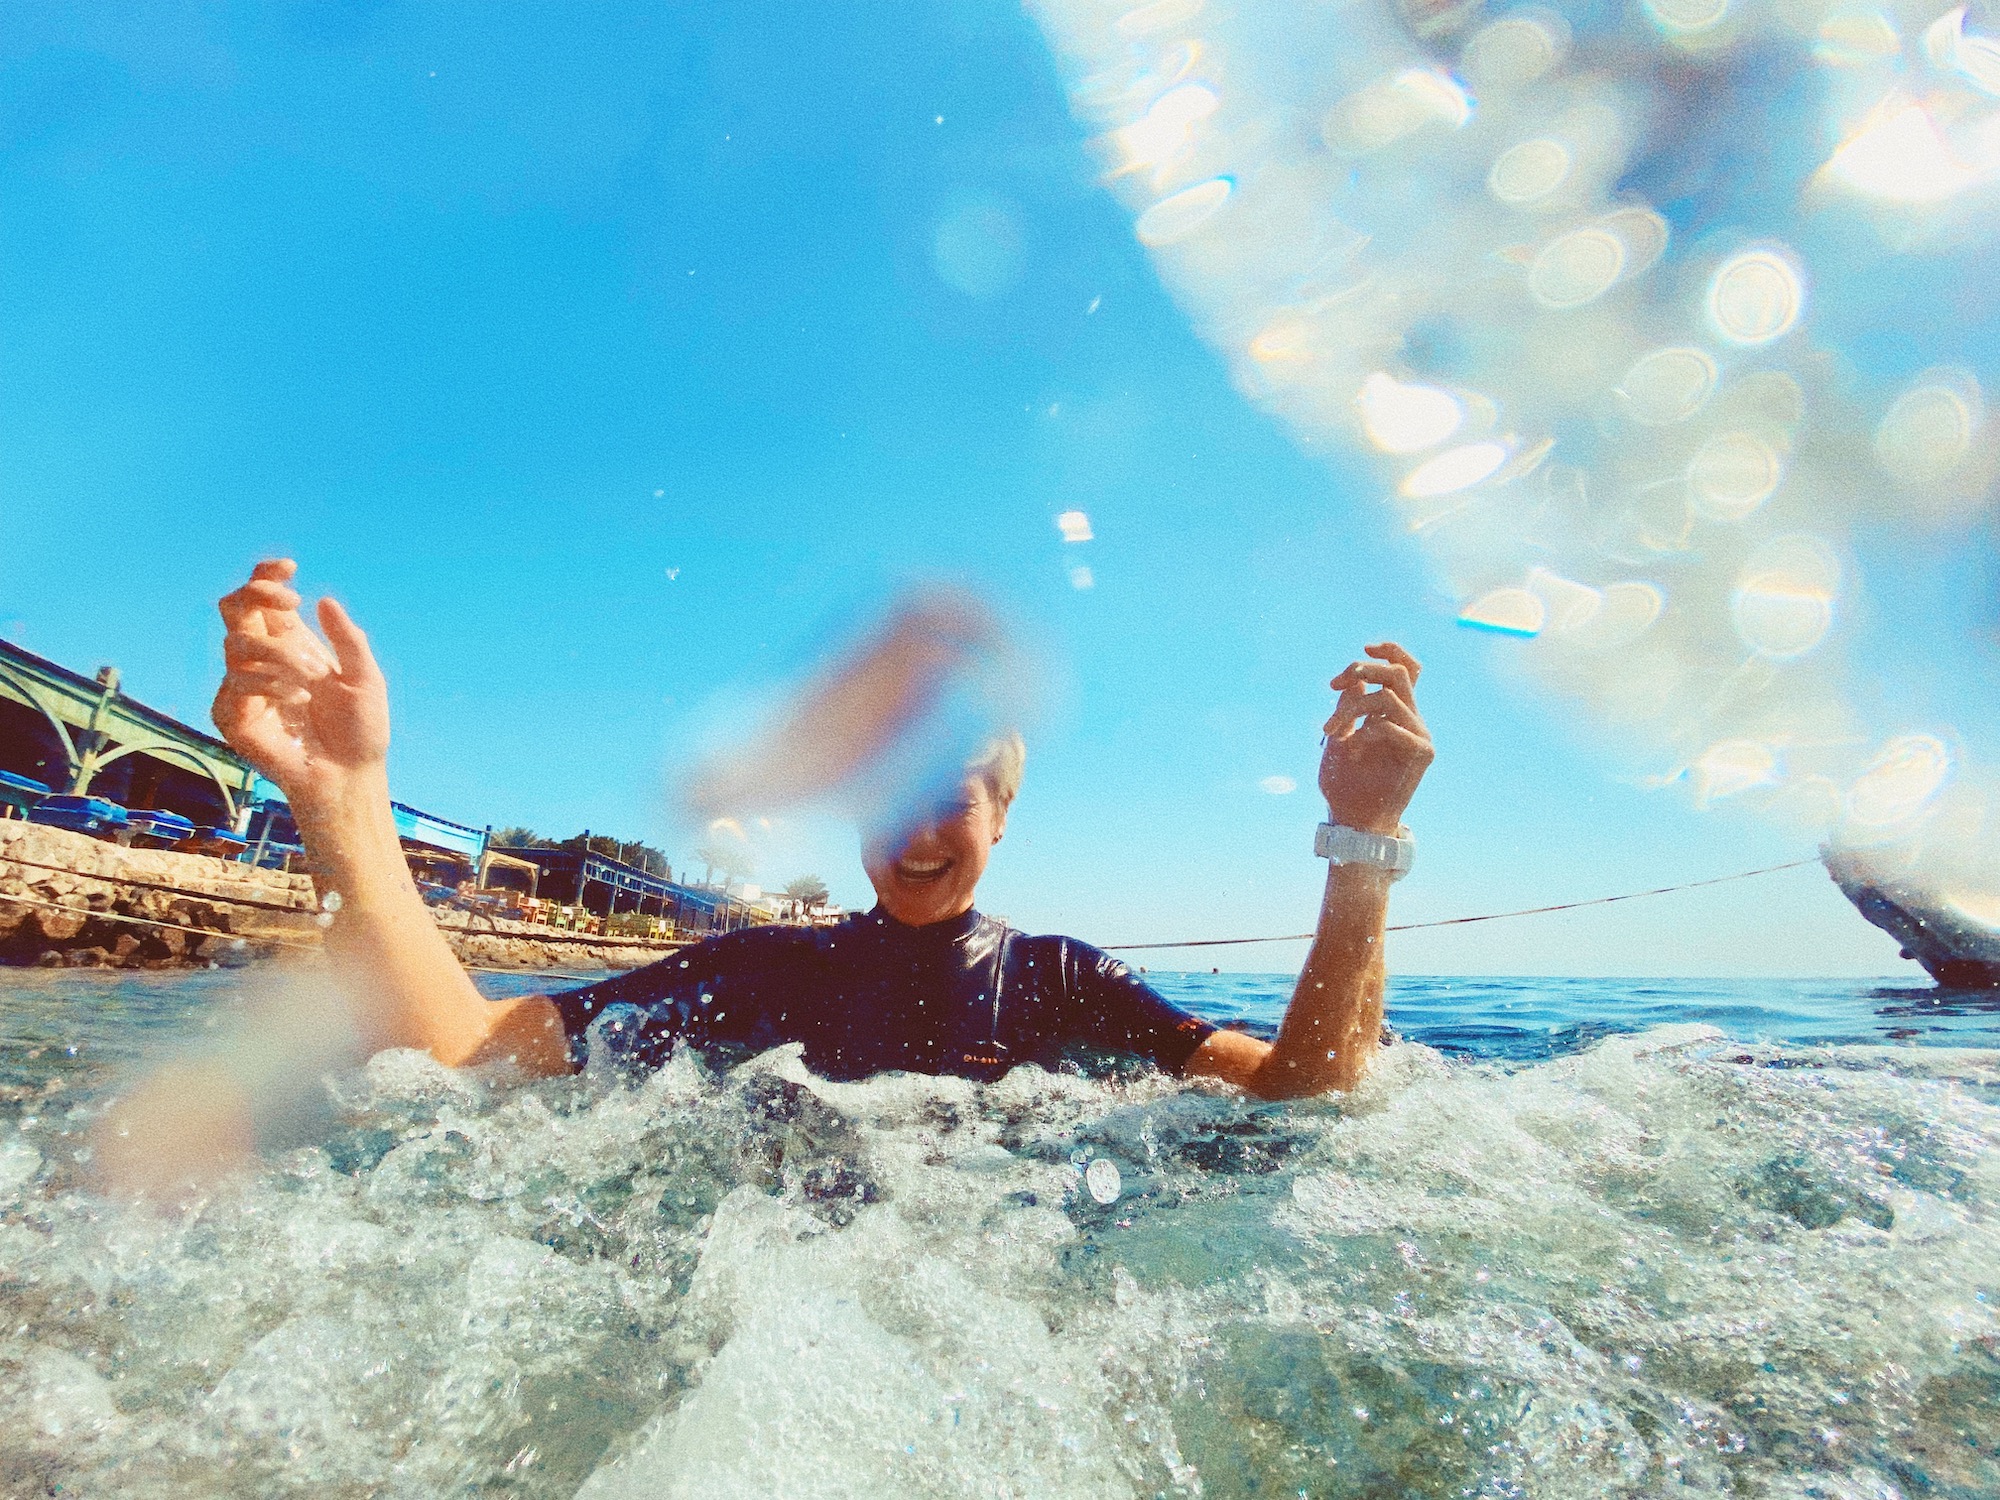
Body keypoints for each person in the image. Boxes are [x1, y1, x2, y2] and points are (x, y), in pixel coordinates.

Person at [212, 559, 1433, 1100]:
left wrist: (1361, 838)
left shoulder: (1058, 981)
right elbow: (466, 1046)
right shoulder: (760, 970)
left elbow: (1303, 1089)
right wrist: (339, 798)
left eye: (948, 784)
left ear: (1001, 816)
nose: (911, 823)